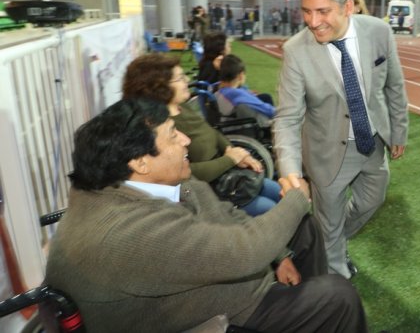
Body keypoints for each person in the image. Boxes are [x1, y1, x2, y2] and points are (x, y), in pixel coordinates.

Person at [45, 98, 367, 333]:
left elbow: (226, 213)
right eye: (173, 135)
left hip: (219, 290)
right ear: (140, 162)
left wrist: (280, 253)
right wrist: (297, 198)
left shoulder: (158, 182)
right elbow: (243, 252)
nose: (185, 140)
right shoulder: (125, 233)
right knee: (338, 297)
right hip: (213, 320)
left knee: (303, 230)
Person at [273, 0, 409, 279]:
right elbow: (288, 118)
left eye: (323, 12)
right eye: (306, 11)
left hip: (372, 141)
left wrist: (399, 132)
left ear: (348, 6)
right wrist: (290, 171)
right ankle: (337, 279)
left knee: (370, 201)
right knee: (329, 224)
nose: (313, 22)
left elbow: (394, 85)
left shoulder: (379, 31)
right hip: (326, 152)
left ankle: (326, 242)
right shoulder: (296, 51)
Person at [123, 53, 282, 216]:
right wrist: (230, 159)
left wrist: (233, 151)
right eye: (179, 78)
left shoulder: (181, 108)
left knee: (279, 191)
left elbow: (211, 132)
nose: (186, 81)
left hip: (226, 175)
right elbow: (185, 172)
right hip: (208, 193)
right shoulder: (158, 126)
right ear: (158, 87)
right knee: (272, 208)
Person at [217, 54, 276, 128]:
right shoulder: (238, 94)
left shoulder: (219, 89)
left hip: (228, 125)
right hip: (246, 128)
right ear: (241, 75)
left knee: (265, 97)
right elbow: (269, 110)